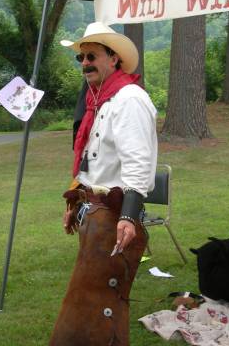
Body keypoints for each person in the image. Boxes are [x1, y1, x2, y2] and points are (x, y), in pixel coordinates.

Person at [49, 22, 158, 346]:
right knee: (97, 305)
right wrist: (75, 204)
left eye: (91, 56)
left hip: (113, 218)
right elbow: (91, 162)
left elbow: (138, 163)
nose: (84, 63)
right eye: (80, 58)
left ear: (114, 59)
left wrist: (128, 216)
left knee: (93, 307)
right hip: (96, 215)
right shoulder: (101, 100)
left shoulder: (129, 100)